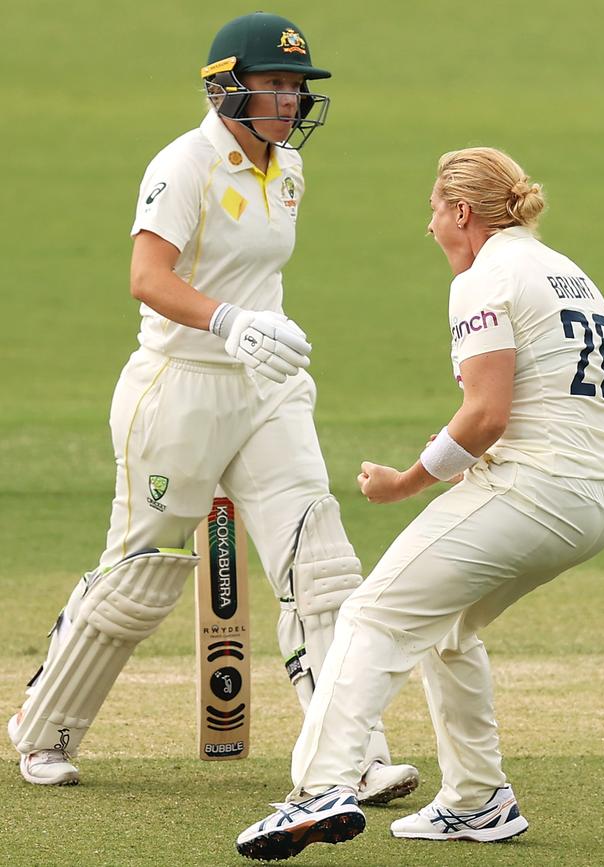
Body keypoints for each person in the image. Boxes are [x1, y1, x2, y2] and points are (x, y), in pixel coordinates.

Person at [7, 12, 418, 804]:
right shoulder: (184, 164)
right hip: (180, 386)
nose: (292, 100)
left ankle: (351, 755)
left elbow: (259, 271)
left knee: (321, 562)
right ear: (228, 86)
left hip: (266, 387)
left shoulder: (288, 168)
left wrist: (263, 333)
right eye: (276, 85)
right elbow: (147, 276)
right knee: (143, 575)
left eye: (298, 87)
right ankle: (45, 728)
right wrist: (229, 320)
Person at [235, 146, 604, 861]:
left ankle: (318, 789)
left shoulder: (487, 275)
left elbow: (486, 415)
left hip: (538, 488)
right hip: (601, 494)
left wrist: (406, 480)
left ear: (462, 212)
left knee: (373, 612)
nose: (429, 226)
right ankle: (479, 799)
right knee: (444, 625)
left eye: (433, 209)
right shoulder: (565, 269)